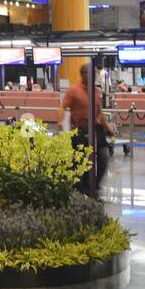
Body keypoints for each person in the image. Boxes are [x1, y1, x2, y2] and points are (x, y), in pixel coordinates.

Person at [60, 62, 114, 196]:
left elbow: (98, 111)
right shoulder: (73, 90)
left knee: (103, 156)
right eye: (91, 73)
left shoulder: (95, 91)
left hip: (95, 129)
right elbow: (63, 107)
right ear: (83, 74)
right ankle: (82, 188)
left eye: (95, 73)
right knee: (81, 161)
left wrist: (107, 127)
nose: (94, 76)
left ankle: (94, 185)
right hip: (79, 130)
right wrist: (60, 122)